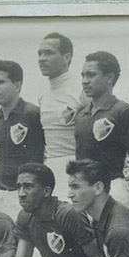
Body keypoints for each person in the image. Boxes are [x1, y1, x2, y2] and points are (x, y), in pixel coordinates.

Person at [74, 51, 129, 206]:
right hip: (85, 191)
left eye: (91, 75)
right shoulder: (81, 116)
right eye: (83, 76)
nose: (85, 81)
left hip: (113, 189)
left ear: (109, 78)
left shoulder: (123, 111)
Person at [0, 60, 45, 219]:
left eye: (0, 82)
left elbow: (40, 158)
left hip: (26, 196)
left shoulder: (32, 113)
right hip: (2, 194)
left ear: (17, 86)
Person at [36, 32, 87, 200]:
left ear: (66, 58)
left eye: (49, 53)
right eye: (40, 53)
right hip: (50, 168)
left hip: (75, 168)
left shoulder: (81, 89)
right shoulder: (42, 95)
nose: (42, 58)